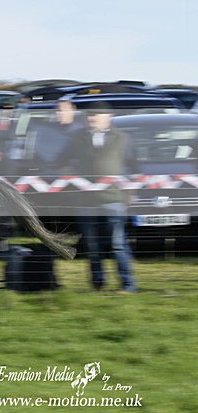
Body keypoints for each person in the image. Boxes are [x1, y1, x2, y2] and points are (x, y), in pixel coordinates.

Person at [63, 101, 138, 293]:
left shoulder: (123, 139)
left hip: (114, 199)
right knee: (92, 245)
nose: (91, 118)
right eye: (90, 115)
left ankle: (128, 285)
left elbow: (134, 167)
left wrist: (131, 192)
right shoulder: (77, 138)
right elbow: (61, 161)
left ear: (108, 117)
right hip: (87, 200)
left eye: (96, 115)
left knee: (118, 244)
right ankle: (97, 284)